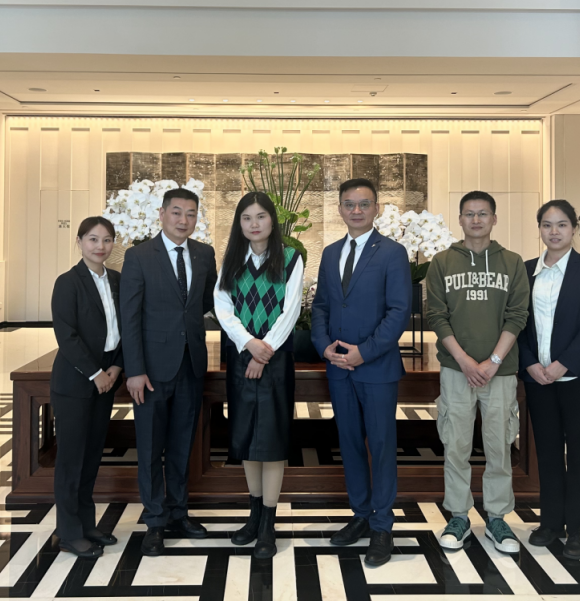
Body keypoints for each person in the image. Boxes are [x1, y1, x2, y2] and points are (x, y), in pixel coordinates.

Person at [311, 178, 411, 568]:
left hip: (377, 368)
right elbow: (321, 306)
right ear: (339, 208)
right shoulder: (330, 252)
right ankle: (360, 515)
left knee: (382, 447)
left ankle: (382, 525)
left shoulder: (393, 253)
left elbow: (398, 312)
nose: (356, 210)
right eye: (349, 204)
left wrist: (363, 353)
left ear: (376, 208)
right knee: (349, 443)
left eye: (364, 204)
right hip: (338, 368)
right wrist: (324, 346)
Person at [426, 190, 530, 555]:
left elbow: (517, 315)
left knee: (499, 445)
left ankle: (498, 518)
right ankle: (458, 516)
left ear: (494, 219)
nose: (475, 220)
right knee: (455, 445)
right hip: (457, 370)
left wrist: (493, 361)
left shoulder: (512, 262)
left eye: (482, 213)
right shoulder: (442, 262)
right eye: (469, 214)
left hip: (500, 372)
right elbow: (436, 315)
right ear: (460, 219)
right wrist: (466, 361)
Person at [120, 187, 219, 557]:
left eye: (191, 214)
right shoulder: (138, 256)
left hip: (191, 365)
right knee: (150, 447)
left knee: (182, 445)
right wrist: (134, 370)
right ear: (161, 214)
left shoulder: (204, 254)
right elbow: (129, 316)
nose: (183, 220)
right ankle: (154, 521)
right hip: (151, 371)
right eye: (176, 212)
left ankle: (179, 513)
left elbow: (208, 302)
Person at [517, 199, 580, 560]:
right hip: (537, 380)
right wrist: (529, 364)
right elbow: (517, 322)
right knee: (548, 452)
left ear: (574, 228)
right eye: (546, 225)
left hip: (578, 379)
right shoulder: (526, 271)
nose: (554, 232)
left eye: (562, 225)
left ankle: (578, 528)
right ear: (539, 228)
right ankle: (551, 522)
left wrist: (563, 364)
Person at [214, 192, 304, 559]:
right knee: (246, 437)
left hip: (276, 360)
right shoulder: (231, 260)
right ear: (239, 223)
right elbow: (223, 307)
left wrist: (263, 351)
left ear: (272, 220)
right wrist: (248, 344)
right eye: (247, 218)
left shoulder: (291, 258)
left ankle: (268, 522)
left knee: (272, 440)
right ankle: (253, 516)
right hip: (241, 357)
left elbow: (291, 309)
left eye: (261, 216)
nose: (254, 224)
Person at [50, 216, 125, 558]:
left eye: (107, 239)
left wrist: (115, 368)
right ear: (79, 242)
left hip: (107, 379)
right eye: (93, 239)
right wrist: (96, 373)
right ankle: (69, 533)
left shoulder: (118, 281)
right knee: (71, 460)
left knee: (92, 456)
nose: (100, 246)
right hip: (76, 382)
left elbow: (127, 327)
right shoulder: (68, 283)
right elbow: (66, 336)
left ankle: (86, 524)